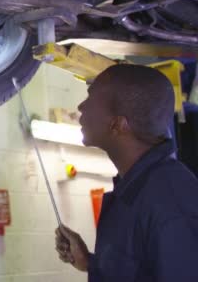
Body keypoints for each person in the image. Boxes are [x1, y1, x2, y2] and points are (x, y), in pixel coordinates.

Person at [55, 64, 198, 281]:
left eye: (91, 98)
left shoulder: (171, 203)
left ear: (119, 125)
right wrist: (91, 264)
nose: (81, 106)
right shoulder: (135, 189)